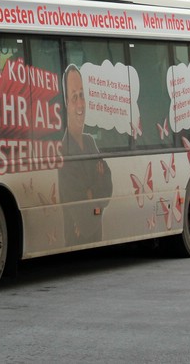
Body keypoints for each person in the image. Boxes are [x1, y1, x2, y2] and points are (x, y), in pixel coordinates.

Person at [58, 64, 112, 246]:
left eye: (82, 95)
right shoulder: (63, 150)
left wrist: (91, 195)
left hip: (97, 244)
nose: (80, 104)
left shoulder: (90, 142)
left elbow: (108, 188)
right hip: (75, 244)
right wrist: (98, 186)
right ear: (65, 104)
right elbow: (85, 222)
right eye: (74, 97)